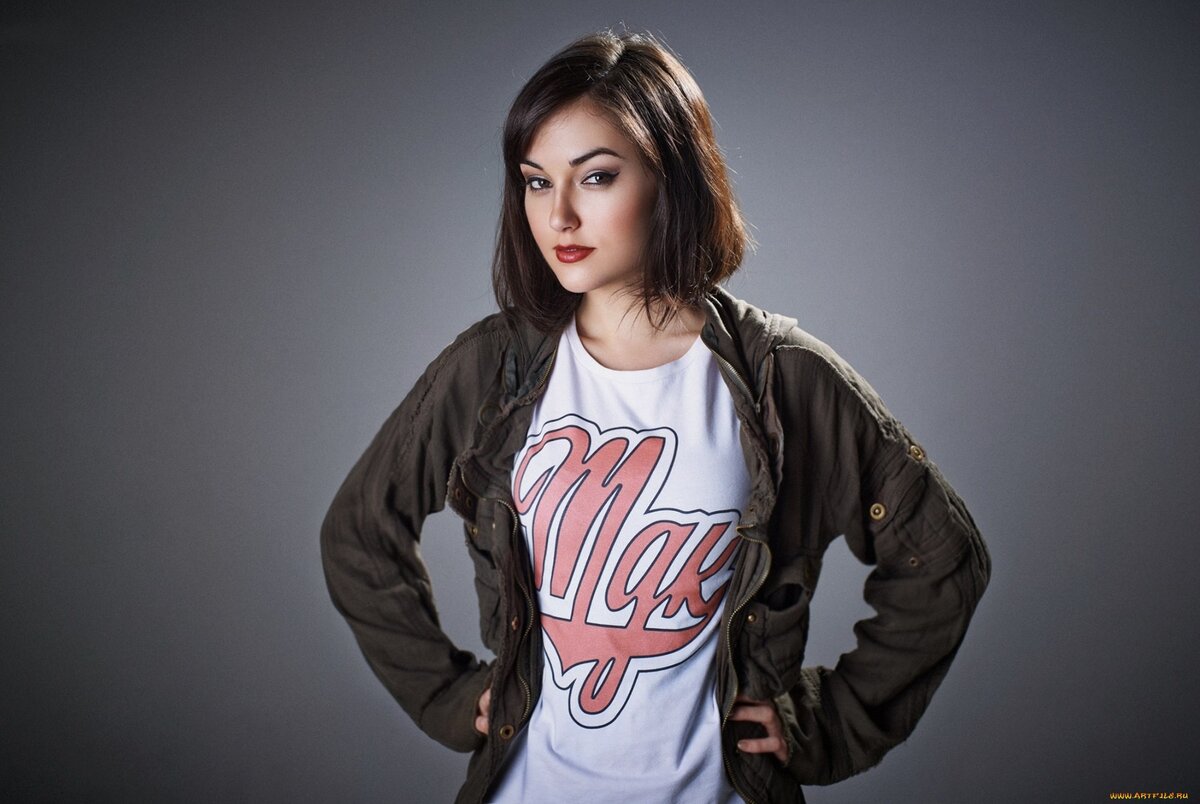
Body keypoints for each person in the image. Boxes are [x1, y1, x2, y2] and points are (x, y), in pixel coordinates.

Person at [321, 29, 990, 804]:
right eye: (536, 182)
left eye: (596, 177)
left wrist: (828, 723)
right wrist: (446, 694)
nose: (559, 215)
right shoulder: (493, 368)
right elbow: (359, 532)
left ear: (672, 179)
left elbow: (944, 560)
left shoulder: (783, 378)